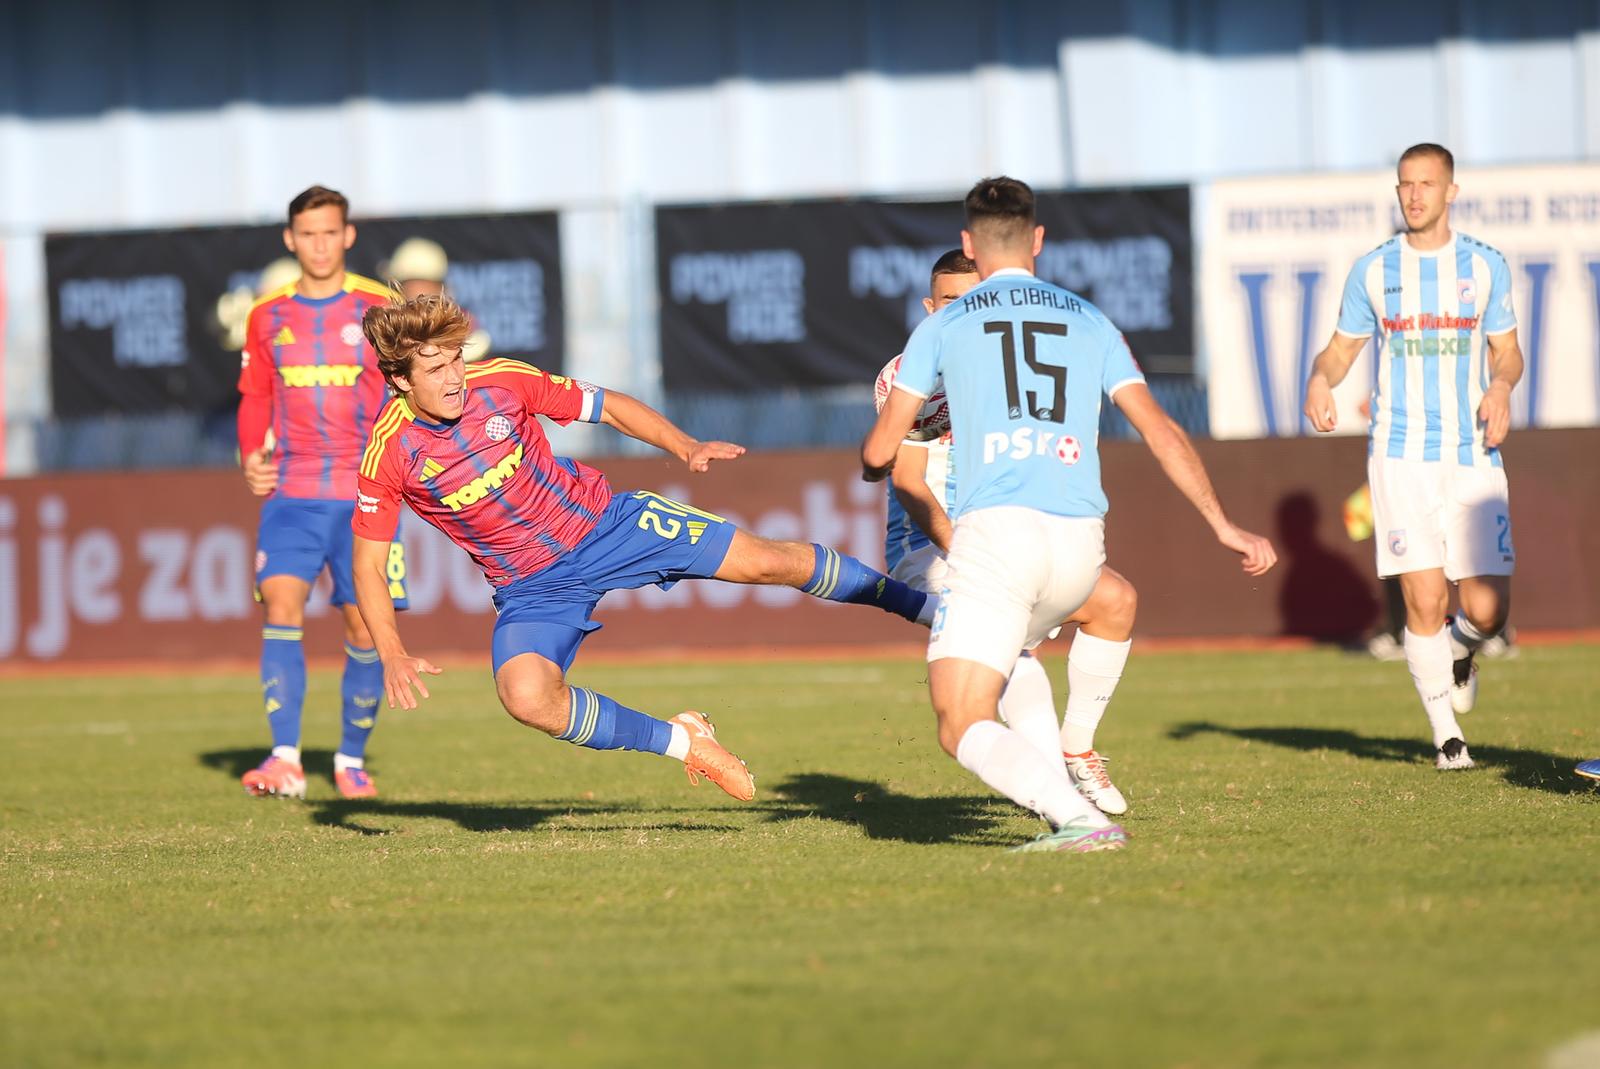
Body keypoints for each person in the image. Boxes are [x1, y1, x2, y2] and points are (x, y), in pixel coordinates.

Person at [349, 295, 937, 802]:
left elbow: (608, 405)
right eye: (434, 369)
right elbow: (369, 565)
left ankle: (928, 609)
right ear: (400, 380)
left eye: (455, 359)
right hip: (532, 584)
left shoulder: (501, 381)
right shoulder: (389, 451)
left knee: (768, 561)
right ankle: (687, 741)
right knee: (526, 697)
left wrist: (683, 445)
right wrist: (392, 652)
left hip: (607, 525)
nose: (453, 378)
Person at [864, 176, 1276, 853]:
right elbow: (1161, 430)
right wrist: (1223, 523)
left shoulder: (943, 329)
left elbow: (883, 455)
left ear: (972, 245)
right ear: (1040, 241)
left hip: (993, 538)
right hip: (1058, 539)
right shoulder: (1090, 321)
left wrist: (871, 454)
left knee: (962, 715)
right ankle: (1070, 769)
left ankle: (1068, 796)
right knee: (1096, 604)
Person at [873, 249, 1138, 816]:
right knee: (1012, 644)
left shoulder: (1017, 368)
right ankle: (1059, 801)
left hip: (1006, 536)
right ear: (929, 307)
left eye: (974, 296)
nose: (963, 308)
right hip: (928, 547)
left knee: (1115, 600)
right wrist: (969, 549)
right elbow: (910, 484)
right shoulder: (909, 372)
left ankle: (1075, 748)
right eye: (949, 300)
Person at [1304, 143, 1523, 771]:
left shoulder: (1484, 266)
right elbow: (1339, 352)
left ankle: (1461, 651)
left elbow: (1507, 352)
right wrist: (1321, 380)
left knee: (1487, 608)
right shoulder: (1374, 270)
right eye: (1406, 184)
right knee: (1424, 601)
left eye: (1427, 184)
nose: (1415, 195)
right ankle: (1446, 736)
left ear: (1451, 191)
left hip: (1473, 453)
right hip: (1399, 455)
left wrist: (1502, 386)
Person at [236, 185, 408, 801]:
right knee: (280, 606)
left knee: (364, 630)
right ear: (290, 239)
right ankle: (284, 758)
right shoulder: (267, 314)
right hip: (293, 491)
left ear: (348, 236)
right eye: (307, 234)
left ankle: (349, 760)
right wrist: (251, 453)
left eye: (329, 232)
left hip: (365, 495)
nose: (319, 244)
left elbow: (406, 392)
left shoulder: (377, 307)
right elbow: (256, 395)